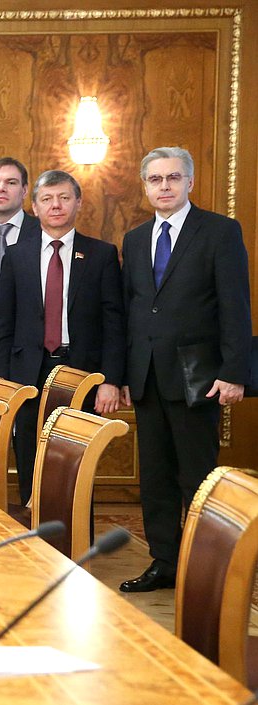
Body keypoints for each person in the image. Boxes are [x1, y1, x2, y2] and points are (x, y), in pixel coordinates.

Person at [118, 147, 251, 593]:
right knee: (154, 479)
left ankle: (202, 568)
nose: (165, 186)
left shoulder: (218, 232)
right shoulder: (135, 239)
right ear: (146, 186)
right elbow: (134, 310)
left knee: (196, 477)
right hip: (147, 376)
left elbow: (235, 306)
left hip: (199, 378)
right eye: (155, 179)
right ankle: (165, 562)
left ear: (190, 182)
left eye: (173, 177)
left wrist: (236, 371)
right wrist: (122, 374)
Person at [0, 170, 124, 505]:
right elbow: (3, 324)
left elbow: (114, 325)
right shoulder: (17, 255)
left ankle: (78, 547)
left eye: (64, 198)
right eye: (47, 199)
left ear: (78, 202)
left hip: (81, 373)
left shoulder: (101, 255)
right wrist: (0, 383)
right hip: (27, 374)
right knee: (29, 457)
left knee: (76, 462)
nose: (56, 205)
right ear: (34, 206)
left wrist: (111, 380)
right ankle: (34, 545)